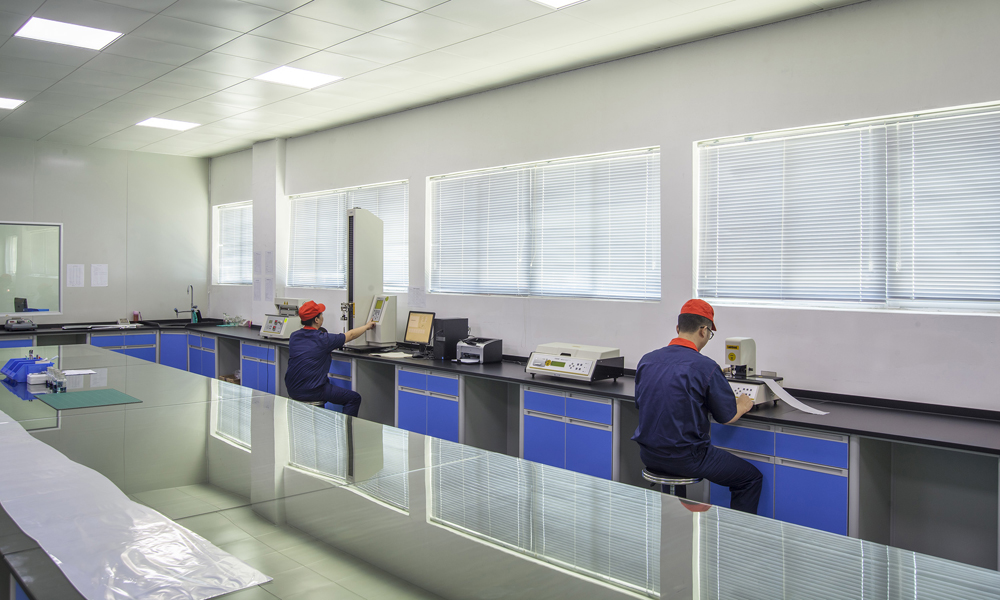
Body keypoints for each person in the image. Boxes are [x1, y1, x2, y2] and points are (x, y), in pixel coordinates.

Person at [632, 299, 763, 514]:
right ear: (704, 330)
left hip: (649, 455)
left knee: (670, 456)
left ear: (678, 328)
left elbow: (641, 403)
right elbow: (726, 416)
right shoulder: (706, 367)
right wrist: (742, 404)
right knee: (750, 478)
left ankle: (674, 521)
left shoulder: (647, 360)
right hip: (687, 459)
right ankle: (738, 535)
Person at [284, 300, 375, 416]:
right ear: (316, 320)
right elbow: (350, 335)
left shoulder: (294, 336)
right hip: (313, 391)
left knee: (325, 382)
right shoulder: (324, 339)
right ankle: (345, 428)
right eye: (321, 314)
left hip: (293, 389)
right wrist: (367, 326)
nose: (322, 317)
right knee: (354, 398)